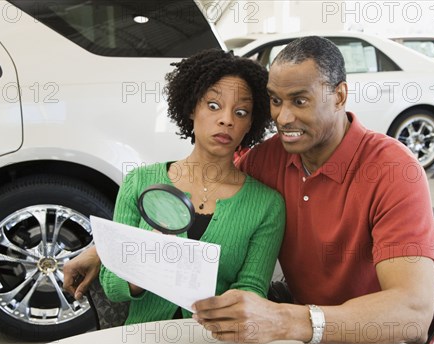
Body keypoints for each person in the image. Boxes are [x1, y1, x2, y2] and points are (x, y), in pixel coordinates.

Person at [65, 37, 434, 344]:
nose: (284, 118)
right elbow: (204, 203)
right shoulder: (268, 159)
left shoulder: (393, 170)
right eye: (276, 100)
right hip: (298, 343)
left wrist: (291, 320)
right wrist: (106, 247)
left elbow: (413, 313)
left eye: (300, 101)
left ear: (339, 96)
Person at [65, 49, 285, 326]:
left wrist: (221, 311)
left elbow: (253, 288)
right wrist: (147, 265)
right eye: (214, 105)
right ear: (192, 107)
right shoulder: (139, 182)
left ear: (250, 124)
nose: (227, 119)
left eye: (241, 112)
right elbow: (112, 284)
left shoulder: (267, 204)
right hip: (146, 341)